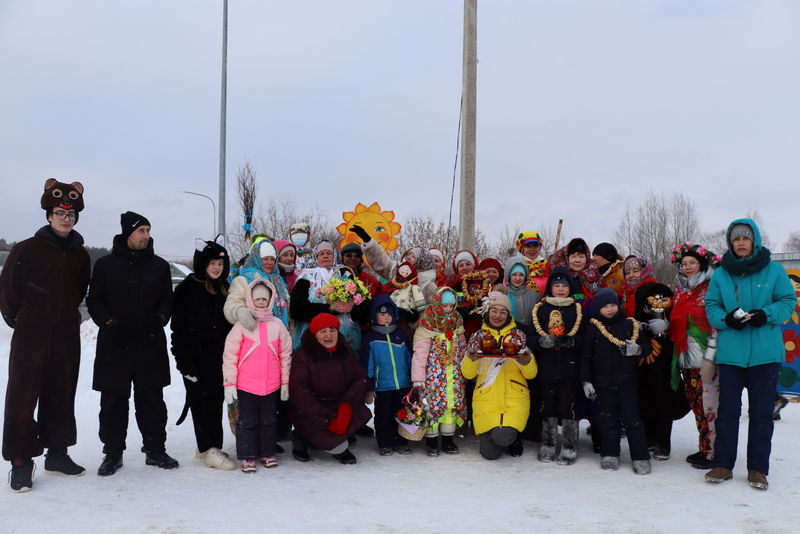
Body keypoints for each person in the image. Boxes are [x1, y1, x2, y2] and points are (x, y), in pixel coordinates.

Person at [1, 179, 90, 492]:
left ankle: (57, 453)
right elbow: (8, 291)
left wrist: (65, 317)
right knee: (22, 397)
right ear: (49, 215)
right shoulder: (27, 249)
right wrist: (23, 320)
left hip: (65, 334)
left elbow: (80, 290)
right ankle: (21, 462)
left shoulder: (81, 255)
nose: (66, 218)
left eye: (71, 214)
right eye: (59, 212)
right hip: (31, 335)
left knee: (61, 392)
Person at [703, 219, 795, 490]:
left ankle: (757, 469)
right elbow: (712, 305)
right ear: (731, 243)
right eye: (736, 239)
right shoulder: (721, 274)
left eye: (745, 238)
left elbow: (787, 301)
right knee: (728, 412)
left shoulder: (774, 271)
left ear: (754, 240)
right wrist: (725, 319)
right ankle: (722, 464)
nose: (741, 243)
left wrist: (767, 315)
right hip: (731, 354)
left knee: (762, 414)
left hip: (765, 355)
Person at [87, 211, 178, 476]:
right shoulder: (105, 265)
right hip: (115, 344)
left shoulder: (159, 266)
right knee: (113, 402)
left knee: (152, 400)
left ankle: (155, 450)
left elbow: (167, 299)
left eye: (148, 231)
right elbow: (94, 300)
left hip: (149, 343)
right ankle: (113, 453)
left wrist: (160, 318)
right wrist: (109, 323)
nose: (146, 236)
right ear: (128, 232)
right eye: (142, 231)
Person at [170, 236, 235, 471]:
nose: (217, 268)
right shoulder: (188, 288)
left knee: (215, 401)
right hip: (195, 358)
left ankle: (208, 446)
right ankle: (209, 448)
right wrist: (184, 362)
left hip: (218, 357)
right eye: (212, 264)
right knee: (201, 402)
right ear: (202, 264)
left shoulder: (223, 287)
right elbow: (178, 328)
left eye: (220, 264)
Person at [580, 288, 652, 475]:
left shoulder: (629, 325)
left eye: (613, 305)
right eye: (605, 306)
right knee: (608, 420)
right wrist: (586, 381)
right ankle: (610, 453)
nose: (610, 309)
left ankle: (640, 456)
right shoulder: (593, 327)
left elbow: (646, 347)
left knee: (633, 420)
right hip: (603, 383)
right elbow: (585, 357)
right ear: (598, 308)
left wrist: (637, 349)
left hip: (627, 382)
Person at [222, 279, 292, 472]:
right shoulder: (241, 325)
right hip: (247, 385)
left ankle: (267, 452)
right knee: (247, 421)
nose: (261, 302)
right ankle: (247, 455)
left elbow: (285, 354)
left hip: (271, 385)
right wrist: (229, 384)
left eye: (264, 298)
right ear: (250, 300)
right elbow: (230, 356)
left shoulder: (277, 325)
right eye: (257, 298)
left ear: (270, 300)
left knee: (269, 420)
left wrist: (285, 383)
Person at [462, 292, 537, 460]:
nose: (498, 315)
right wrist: (471, 358)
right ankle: (497, 436)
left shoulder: (518, 336)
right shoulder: (478, 337)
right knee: (490, 455)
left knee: (504, 436)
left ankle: (512, 436)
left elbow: (531, 374)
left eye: (503, 311)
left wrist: (526, 360)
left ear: (509, 314)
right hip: (485, 395)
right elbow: (467, 373)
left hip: (514, 394)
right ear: (487, 312)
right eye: (494, 310)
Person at [289, 313, 372, 464]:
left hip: (340, 405)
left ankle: (336, 438)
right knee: (337, 445)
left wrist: (347, 404)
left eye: (332, 330)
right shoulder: (302, 357)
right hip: (312, 412)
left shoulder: (346, 351)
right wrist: (324, 416)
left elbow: (361, 378)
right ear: (315, 334)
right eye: (323, 331)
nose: (328, 335)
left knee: (351, 420)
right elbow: (300, 393)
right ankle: (301, 438)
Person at [669, 242, 720, 470]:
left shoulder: (712, 289)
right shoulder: (680, 292)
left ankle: (714, 452)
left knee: (710, 406)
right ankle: (705, 448)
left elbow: (717, 323)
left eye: (692, 263)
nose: (687, 267)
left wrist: (712, 355)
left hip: (707, 358)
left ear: (702, 264)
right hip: (686, 359)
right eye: (684, 264)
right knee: (697, 406)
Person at [530, 267, 585, 465]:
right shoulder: (541, 308)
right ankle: (548, 442)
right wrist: (541, 342)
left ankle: (570, 445)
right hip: (547, 365)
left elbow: (586, 337)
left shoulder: (577, 309)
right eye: (557, 286)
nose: (561, 289)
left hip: (570, 366)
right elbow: (531, 335)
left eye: (564, 286)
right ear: (550, 289)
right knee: (548, 404)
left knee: (568, 405)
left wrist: (572, 342)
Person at [412, 288, 468, 456]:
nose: (448, 309)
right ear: (437, 303)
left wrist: (465, 368)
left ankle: (448, 440)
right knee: (432, 407)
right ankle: (431, 441)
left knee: (450, 407)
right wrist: (418, 379)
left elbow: (462, 347)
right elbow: (419, 355)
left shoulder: (457, 320)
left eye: (451, 306)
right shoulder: (428, 322)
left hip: (454, 376)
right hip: (433, 378)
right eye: (444, 306)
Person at [360, 295, 413, 456]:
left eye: (389, 314)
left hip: (403, 384)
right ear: (374, 315)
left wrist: (413, 379)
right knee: (383, 416)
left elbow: (409, 358)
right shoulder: (370, 338)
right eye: (382, 314)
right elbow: (367, 364)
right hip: (382, 386)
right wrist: (369, 386)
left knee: (402, 414)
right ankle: (385, 442)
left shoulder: (401, 335)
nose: (386, 317)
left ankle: (401, 441)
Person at [350, 225, 438, 303]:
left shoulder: (428, 285)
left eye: (413, 256)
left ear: (421, 261)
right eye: (408, 255)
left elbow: (429, 313)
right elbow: (382, 262)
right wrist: (367, 239)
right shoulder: (399, 272)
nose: (408, 257)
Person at [226, 239, 291, 328]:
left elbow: (286, 305)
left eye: (272, 259)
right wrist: (240, 312)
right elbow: (232, 303)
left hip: (279, 333)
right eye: (265, 259)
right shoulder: (244, 279)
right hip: (255, 333)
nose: (270, 262)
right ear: (256, 259)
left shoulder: (278, 280)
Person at [549, 237, 601, 309]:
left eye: (581, 257)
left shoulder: (593, 274)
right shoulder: (557, 275)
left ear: (587, 258)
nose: (577, 260)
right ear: (567, 258)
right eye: (574, 257)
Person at [502, 257, 540, 326]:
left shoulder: (535, 296)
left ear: (526, 277)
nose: (518, 278)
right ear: (508, 276)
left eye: (521, 275)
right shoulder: (502, 295)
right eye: (514, 274)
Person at [515, 231, 549, 295]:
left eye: (535, 246)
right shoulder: (517, 265)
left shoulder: (548, 265)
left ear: (539, 248)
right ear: (522, 249)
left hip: (545, 301)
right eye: (528, 246)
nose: (532, 249)